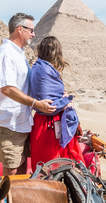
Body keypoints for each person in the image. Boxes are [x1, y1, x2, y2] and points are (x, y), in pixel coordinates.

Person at [0, 13, 55, 175]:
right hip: (8, 123)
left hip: (22, 122)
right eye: (31, 30)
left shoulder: (19, 53)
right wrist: (36, 104)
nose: (34, 34)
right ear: (19, 29)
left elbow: (26, 86)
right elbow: (7, 88)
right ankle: (4, 202)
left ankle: (15, 201)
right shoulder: (6, 53)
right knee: (11, 174)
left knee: (23, 173)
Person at [28, 36, 85, 167]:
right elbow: (50, 104)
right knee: (55, 167)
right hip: (51, 125)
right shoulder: (45, 70)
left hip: (40, 123)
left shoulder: (38, 67)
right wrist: (65, 102)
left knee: (43, 166)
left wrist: (62, 99)